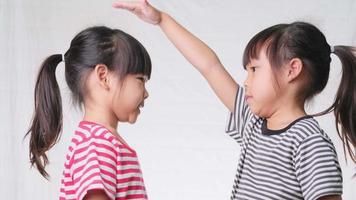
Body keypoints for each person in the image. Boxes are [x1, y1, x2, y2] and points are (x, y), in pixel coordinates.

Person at [113, 1, 356, 199]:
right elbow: (209, 65)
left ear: (291, 70)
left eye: (254, 69)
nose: (246, 81)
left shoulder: (309, 142)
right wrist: (161, 20)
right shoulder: (252, 123)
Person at [26, 26, 151, 199]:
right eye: (140, 79)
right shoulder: (97, 144)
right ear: (104, 76)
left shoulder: (101, 141)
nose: (146, 93)